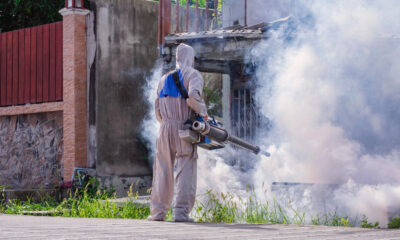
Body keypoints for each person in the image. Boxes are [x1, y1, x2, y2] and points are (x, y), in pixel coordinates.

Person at [148, 43, 208, 222]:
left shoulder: (163, 78)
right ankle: (181, 213)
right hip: (184, 128)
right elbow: (193, 97)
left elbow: (157, 108)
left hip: (164, 128)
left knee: (162, 170)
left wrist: (166, 123)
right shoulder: (193, 74)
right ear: (190, 58)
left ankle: (158, 213)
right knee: (185, 168)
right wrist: (203, 113)